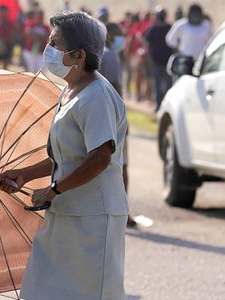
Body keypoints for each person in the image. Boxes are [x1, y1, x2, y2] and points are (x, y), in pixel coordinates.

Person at [0, 10, 128, 299]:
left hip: (93, 216)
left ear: (79, 55)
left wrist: (54, 189)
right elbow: (65, 156)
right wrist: (25, 174)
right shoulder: (71, 91)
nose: (48, 50)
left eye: (55, 44)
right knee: (41, 290)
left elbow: (99, 158)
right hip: (65, 210)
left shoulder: (97, 96)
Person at [99, 22, 136, 228]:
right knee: (122, 165)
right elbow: (115, 87)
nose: (123, 39)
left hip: (100, 115)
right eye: (120, 35)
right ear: (110, 35)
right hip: (113, 117)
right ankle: (124, 212)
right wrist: (123, 119)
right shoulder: (110, 56)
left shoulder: (95, 53)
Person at [145, 7, 173, 111]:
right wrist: (149, 59)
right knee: (157, 86)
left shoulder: (170, 28)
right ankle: (158, 106)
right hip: (156, 62)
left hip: (167, 62)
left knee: (167, 86)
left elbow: (174, 44)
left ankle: (166, 107)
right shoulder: (153, 29)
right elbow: (148, 46)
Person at [22, 8, 50, 73]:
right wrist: (40, 37)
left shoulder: (45, 27)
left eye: (41, 15)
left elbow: (47, 37)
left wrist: (36, 36)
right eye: (38, 15)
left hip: (40, 52)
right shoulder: (31, 24)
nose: (40, 17)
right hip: (30, 51)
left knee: (41, 72)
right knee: (30, 71)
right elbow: (28, 33)